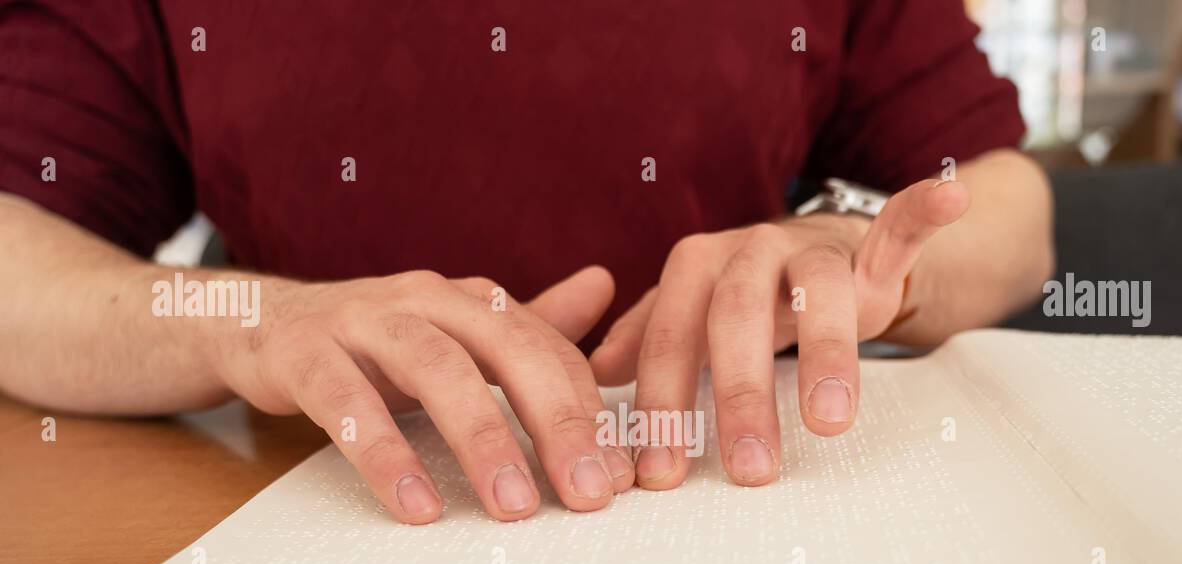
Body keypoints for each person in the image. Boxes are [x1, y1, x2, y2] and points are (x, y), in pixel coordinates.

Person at [0, 0, 1053, 525]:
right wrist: (250, 320)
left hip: (719, 498)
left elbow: (1010, 211)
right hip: (324, 506)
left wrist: (847, 244)